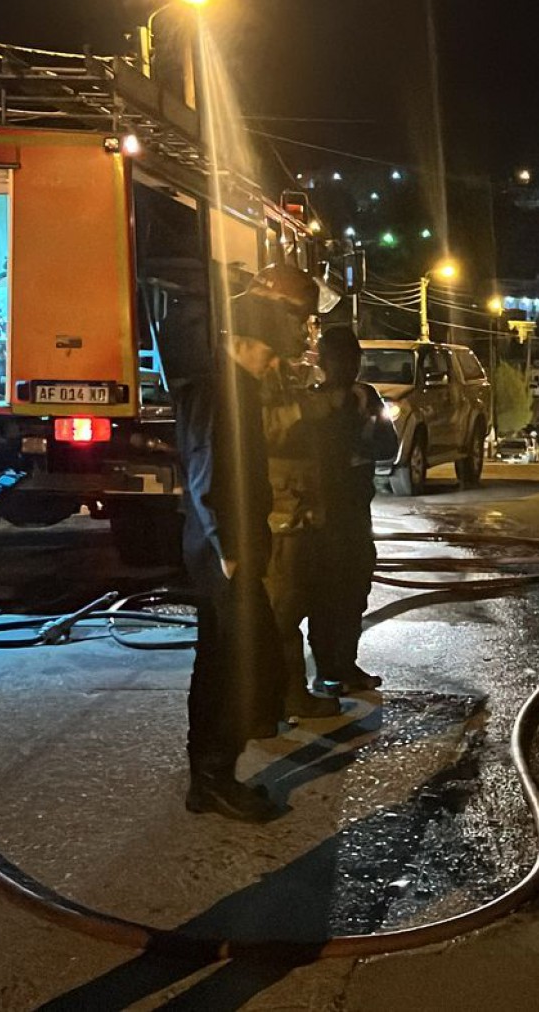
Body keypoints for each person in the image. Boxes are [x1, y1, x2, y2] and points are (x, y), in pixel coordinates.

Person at [175, 271, 321, 822]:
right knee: (243, 666)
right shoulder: (220, 388)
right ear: (244, 343)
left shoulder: (227, 381)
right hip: (222, 553)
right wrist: (229, 551)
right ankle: (213, 776)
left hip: (222, 549)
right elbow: (207, 471)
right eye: (267, 354)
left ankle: (208, 777)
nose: (271, 364)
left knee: (220, 660)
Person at [270, 325, 399, 695]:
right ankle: (326, 671)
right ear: (324, 361)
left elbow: (388, 445)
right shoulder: (310, 401)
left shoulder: (366, 397)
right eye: (341, 358)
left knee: (353, 589)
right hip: (317, 516)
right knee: (321, 592)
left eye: (354, 358)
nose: (349, 366)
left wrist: (361, 445)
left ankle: (341, 667)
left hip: (354, 514)